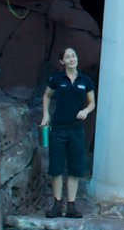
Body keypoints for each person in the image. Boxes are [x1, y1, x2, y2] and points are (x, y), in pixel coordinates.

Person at [41, 47, 96, 218]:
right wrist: (46, 114)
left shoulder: (85, 80)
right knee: (56, 167)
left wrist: (86, 111)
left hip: (76, 129)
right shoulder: (57, 79)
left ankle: (71, 205)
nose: (72, 59)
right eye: (67, 57)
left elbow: (92, 102)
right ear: (62, 61)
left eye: (73, 56)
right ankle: (57, 204)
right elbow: (47, 96)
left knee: (75, 168)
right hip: (58, 129)